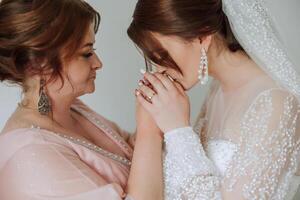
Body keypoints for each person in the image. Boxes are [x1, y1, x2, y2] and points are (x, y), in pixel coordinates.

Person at [128, 0, 300, 199]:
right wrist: (151, 128)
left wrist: (177, 131)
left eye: (162, 55)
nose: (159, 69)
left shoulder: (276, 103)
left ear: (202, 36)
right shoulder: (217, 91)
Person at [0, 0, 164, 199]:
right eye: (86, 53)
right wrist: (149, 130)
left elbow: (129, 151)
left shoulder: (72, 108)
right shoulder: (30, 155)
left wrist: (156, 106)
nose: (98, 63)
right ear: (40, 65)